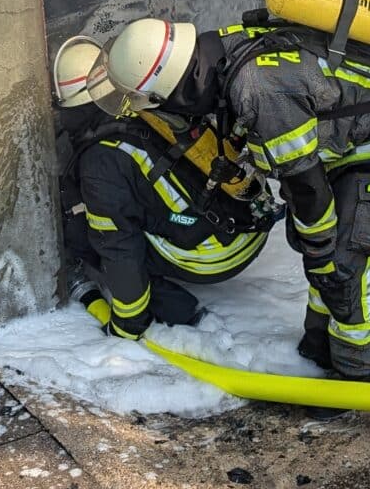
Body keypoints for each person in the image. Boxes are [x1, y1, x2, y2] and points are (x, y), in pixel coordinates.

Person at [98, 16, 370, 382]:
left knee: (347, 273)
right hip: (344, 146)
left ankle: (363, 378)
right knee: (323, 259)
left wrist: (320, 255)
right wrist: (316, 251)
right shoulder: (221, 51)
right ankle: (319, 348)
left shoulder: (257, 88)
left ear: (171, 88)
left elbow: (306, 187)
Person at [51, 35, 276, 341]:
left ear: (71, 108)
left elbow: (120, 247)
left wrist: (128, 325)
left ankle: (179, 311)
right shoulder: (144, 100)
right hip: (250, 220)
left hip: (220, 252)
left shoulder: (99, 162)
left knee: (97, 234)